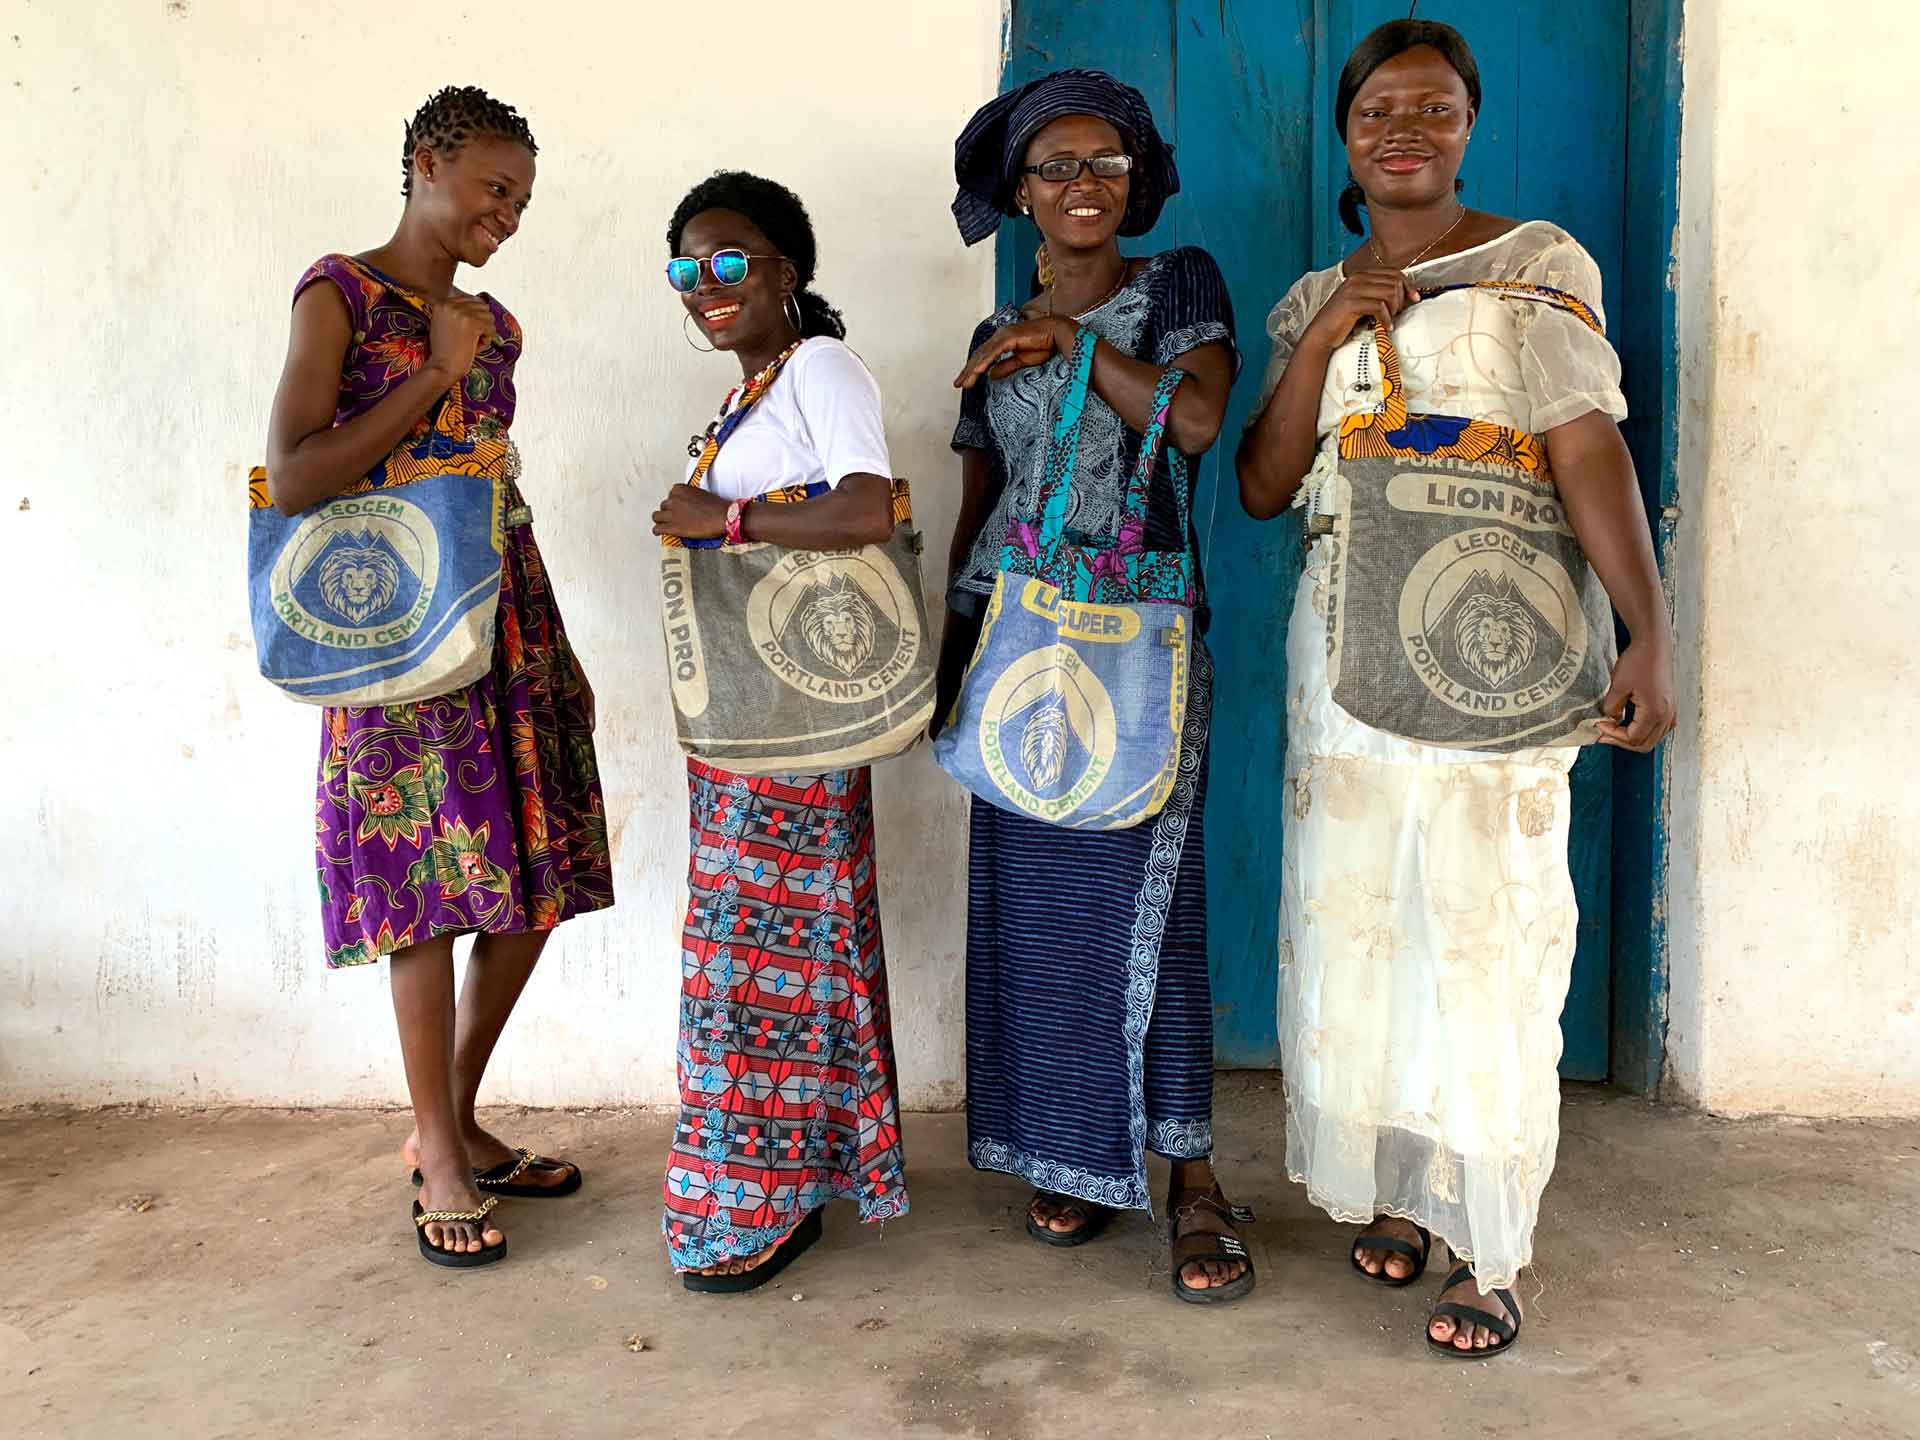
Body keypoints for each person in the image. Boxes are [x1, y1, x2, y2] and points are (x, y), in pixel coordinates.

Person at [1237, 20, 1677, 1354]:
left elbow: (1586, 448)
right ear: (1348, 133)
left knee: (1487, 928)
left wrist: (1649, 635)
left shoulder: (1539, 264)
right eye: (1380, 110)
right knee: (1368, 921)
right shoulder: (1312, 295)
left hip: (1497, 655)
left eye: (1433, 108)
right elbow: (1262, 487)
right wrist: (1322, 346)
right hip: (1345, 663)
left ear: (1467, 126)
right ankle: (1407, 1195)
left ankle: (1492, 1250)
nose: (1405, 130)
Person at [263, 87, 613, 1267]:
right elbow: (297, 473)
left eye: (520, 198)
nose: (506, 213)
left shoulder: (495, 325)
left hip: (506, 611)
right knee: (425, 884)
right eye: (491, 186)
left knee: (538, 876)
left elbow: (491, 487)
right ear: (426, 163)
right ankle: (442, 1150)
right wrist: (430, 372)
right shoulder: (340, 293)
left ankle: (447, 1116)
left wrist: (555, 650)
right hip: (398, 631)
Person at [944, 70, 1252, 1303]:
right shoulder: (987, 336)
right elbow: (984, 499)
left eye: (1105, 166)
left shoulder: (1177, 285)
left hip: (1140, 643)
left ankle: (1192, 1183)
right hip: (1019, 646)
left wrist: (1076, 346)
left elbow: (1193, 425)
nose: (1083, 187)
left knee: (1151, 909)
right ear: (1017, 192)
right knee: (1039, 917)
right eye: (1057, 168)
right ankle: (1074, 1155)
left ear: (1136, 179)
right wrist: (950, 655)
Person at [651, 171, 909, 1293]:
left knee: (763, 965)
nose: (705, 286)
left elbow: (869, 507)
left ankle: (759, 1200)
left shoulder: (821, 368)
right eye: (685, 270)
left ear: (786, 272)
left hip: (798, 729)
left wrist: (728, 517)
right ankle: (787, 1177)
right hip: (751, 729)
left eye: (728, 261)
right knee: (758, 961)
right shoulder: (754, 393)